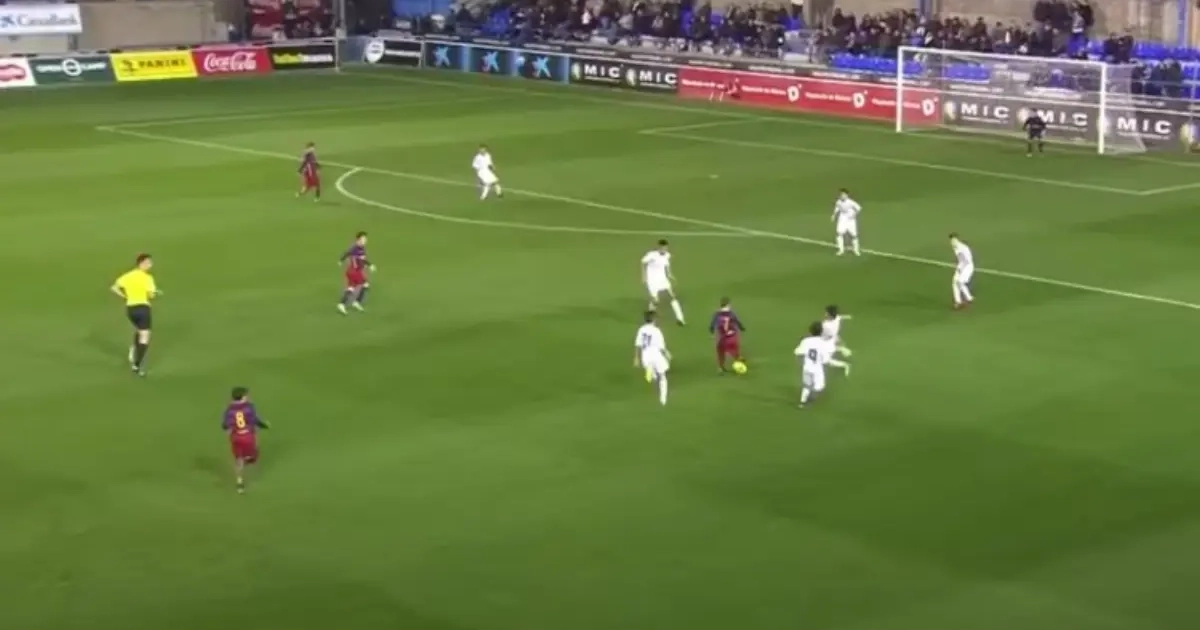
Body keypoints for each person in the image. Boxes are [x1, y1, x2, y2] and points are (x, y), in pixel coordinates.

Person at [110, 253, 159, 376]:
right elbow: (151, 295)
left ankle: (134, 350)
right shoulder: (148, 278)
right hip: (143, 307)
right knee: (145, 336)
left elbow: (114, 288)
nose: (150, 265)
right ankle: (137, 365)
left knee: (139, 330)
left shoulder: (128, 276)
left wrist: (125, 296)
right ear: (142, 263)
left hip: (130, 308)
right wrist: (153, 294)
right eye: (148, 262)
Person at [222, 386, 269, 494]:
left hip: (236, 437)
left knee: (239, 460)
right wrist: (264, 425)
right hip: (248, 437)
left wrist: (230, 428)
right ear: (242, 397)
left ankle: (239, 482)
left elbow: (225, 425)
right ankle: (250, 458)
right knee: (254, 453)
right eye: (246, 395)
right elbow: (255, 420)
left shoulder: (229, 410)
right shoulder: (249, 407)